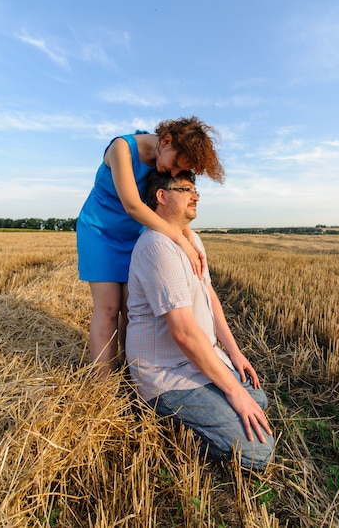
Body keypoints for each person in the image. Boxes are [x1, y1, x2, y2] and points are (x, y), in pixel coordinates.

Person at [125, 170, 274, 470]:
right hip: (166, 374)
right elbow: (183, 333)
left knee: (258, 399)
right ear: (162, 196)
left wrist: (234, 353)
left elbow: (210, 296)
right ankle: (164, 421)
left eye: (196, 190)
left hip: (193, 361)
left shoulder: (191, 239)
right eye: (186, 189)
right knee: (259, 452)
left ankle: (213, 411)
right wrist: (234, 393)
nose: (196, 196)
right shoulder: (157, 245)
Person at [76, 116, 224, 377]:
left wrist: (187, 235)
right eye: (177, 165)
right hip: (101, 231)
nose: (174, 173)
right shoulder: (121, 148)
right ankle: (103, 386)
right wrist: (180, 240)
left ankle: (129, 375)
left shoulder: (163, 161)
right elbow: (132, 205)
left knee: (130, 307)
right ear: (166, 141)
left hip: (136, 231)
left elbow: (165, 205)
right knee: (109, 307)